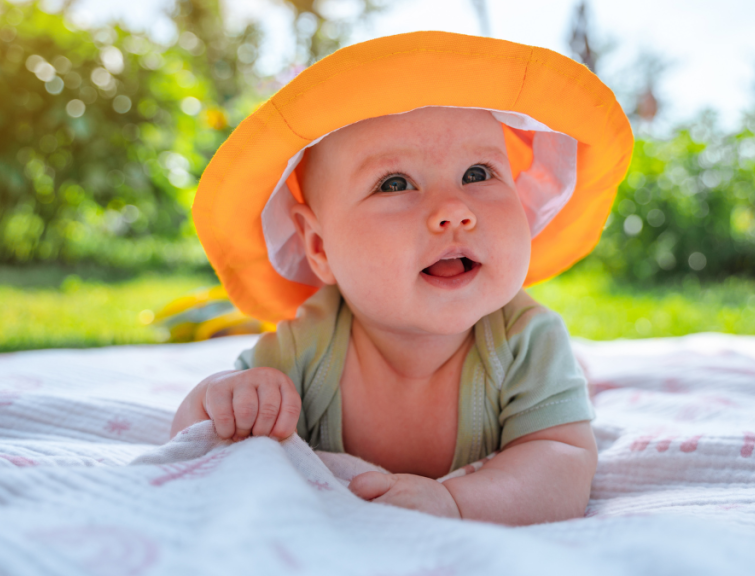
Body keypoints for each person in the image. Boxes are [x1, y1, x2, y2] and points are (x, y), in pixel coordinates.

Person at [171, 31, 633, 525]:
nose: (454, 211)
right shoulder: (306, 348)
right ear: (319, 246)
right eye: (395, 184)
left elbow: (563, 465)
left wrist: (456, 503)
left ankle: (576, 376)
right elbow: (198, 436)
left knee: (565, 390)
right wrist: (221, 395)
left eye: (478, 173)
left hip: (533, 371)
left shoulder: (525, 340)